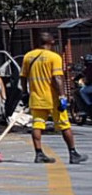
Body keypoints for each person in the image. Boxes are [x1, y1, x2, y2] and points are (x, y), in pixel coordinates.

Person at [20, 31, 85, 165]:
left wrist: (25, 93)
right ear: (52, 42)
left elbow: (23, 77)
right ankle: (73, 153)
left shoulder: (28, 56)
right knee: (64, 125)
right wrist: (62, 96)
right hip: (52, 98)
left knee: (37, 125)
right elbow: (57, 78)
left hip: (36, 97)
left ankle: (39, 154)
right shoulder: (54, 57)